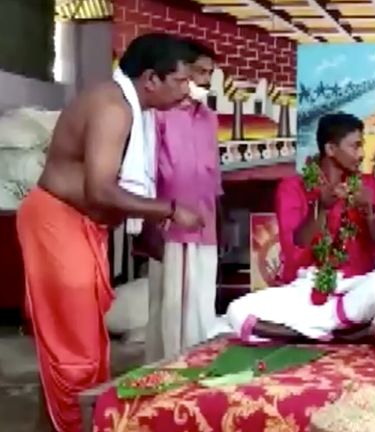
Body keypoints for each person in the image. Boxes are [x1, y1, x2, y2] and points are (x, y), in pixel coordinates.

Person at [16, 33, 204, 432]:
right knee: (76, 353)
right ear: (151, 79)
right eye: (182, 81)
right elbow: (98, 189)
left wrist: (144, 230)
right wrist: (169, 211)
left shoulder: (134, 109)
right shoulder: (113, 108)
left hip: (82, 226)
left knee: (84, 347)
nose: (188, 91)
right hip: (58, 222)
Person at [223, 113, 375, 342]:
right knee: (237, 311)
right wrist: (322, 208)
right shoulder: (292, 187)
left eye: (361, 146)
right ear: (331, 149)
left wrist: (369, 212)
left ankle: (308, 331)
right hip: (306, 289)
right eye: (355, 146)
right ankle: (335, 332)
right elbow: (296, 247)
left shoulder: (368, 185)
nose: (362, 154)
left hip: (356, 287)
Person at [143, 39, 223, 362]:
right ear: (182, 72)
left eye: (209, 74)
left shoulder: (209, 118)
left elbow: (213, 174)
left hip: (205, 223)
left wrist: (219, 217)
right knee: (172, 306)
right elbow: (149, 169)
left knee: (201, 303)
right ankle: (171, 375)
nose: (204, 80)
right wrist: (152, 223)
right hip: (172, 222)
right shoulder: (159, 115)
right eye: (199, 72)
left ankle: (194, 370)